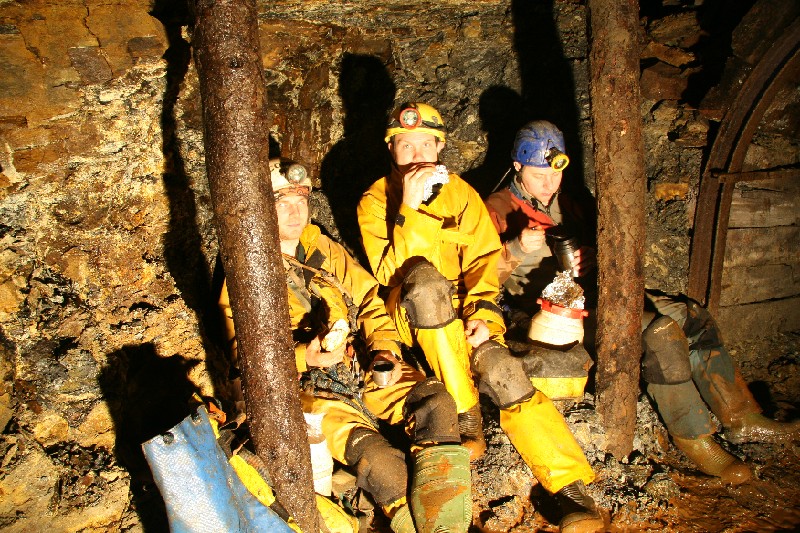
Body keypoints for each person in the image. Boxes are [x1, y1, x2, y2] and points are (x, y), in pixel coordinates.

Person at [485, 119, 800, 485]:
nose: (549, 184)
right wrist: (516, 247)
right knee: (659, 332)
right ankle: (695, 438)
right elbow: (476, 275)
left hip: (600, 292)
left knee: (691, 315)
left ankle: (742, 417)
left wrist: (596, 255)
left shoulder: (571, 200)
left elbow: (614, 241)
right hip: (554, 315)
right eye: (539, 176)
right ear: (518, 166)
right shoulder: (495, 209)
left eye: (555, 175)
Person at [357, 102, 605, 533]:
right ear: (391, 150)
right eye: (405, 145)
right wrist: (409, 208)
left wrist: (484, 316)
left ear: (439, 147)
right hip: (409, 316)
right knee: (425, 283)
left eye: (425, 144)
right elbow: (387, 271)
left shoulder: (462, 194)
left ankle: (570, 489)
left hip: (461, 313)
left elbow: (485, 264)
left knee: (502, 368)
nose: (416, 155)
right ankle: (467, 413)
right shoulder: (375, 200)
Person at [219, 158, 472, 533]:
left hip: (360, 367)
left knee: (436, 403)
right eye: (283, 203)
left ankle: (448, 524)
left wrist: (385, 349)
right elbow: (242, 355)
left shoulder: (320, 247)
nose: (296, 212)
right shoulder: (245, 270)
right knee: (380, 463)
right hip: (306, 391)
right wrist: (304, 357)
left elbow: (369, 299)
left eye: (301, 201)